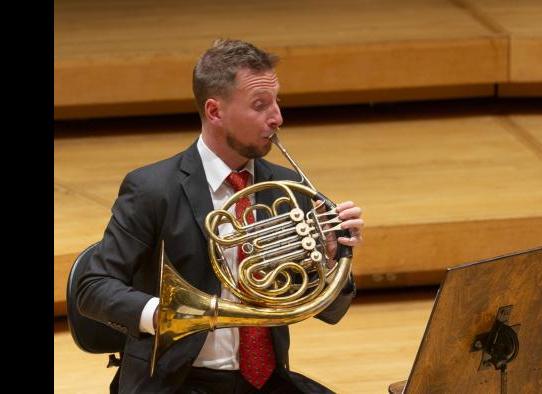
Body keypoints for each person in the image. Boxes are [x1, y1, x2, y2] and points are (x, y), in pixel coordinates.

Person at [76, 39, 364, 393]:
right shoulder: (153, 189)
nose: (277, 117)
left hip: (266, 380)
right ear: (214, 112)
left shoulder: (287, 187)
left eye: (277, 101)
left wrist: (332, 261)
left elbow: (330, 312)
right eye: (260, 105)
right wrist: (168, 316)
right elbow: (92, 288)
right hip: (177, 380)